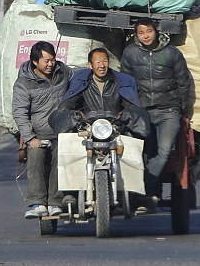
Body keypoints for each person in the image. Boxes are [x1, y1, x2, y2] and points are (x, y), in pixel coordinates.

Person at [120, 18, 191, 206]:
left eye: (149, 31)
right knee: (143, 152)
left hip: (168, 110)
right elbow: (125, 83)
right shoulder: (131, 53)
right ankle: (146, 192)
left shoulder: (171, 54)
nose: (146, 36)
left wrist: (183, 110)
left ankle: (145, 189)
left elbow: (183, 82)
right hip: (142, 112)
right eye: (141, 33)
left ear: (156, 31)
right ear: (136, 35)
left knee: (164, 152)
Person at [12, 41, 73, 219]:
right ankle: (37, 202)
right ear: (34, 62)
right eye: (46, 61)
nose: (50, 64)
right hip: (37, 133)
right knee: (36, 156)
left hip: (62, 131)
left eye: (52, 60)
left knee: (60, 158)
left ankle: (56, 202)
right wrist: (30, 138)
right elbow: (20, 112)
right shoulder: (24, 83)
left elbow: (79, 80)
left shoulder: (64, 72)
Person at [50, 48, 150, 139]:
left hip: (115, 130)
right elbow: (68, 103)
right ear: (90, 65)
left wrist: (126, 116)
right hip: (88, 130)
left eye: (105, 61)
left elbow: (131, 105)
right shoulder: (82, 82)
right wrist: (72, 116)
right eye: (98, 62)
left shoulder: (120, 82)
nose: (102, 66)